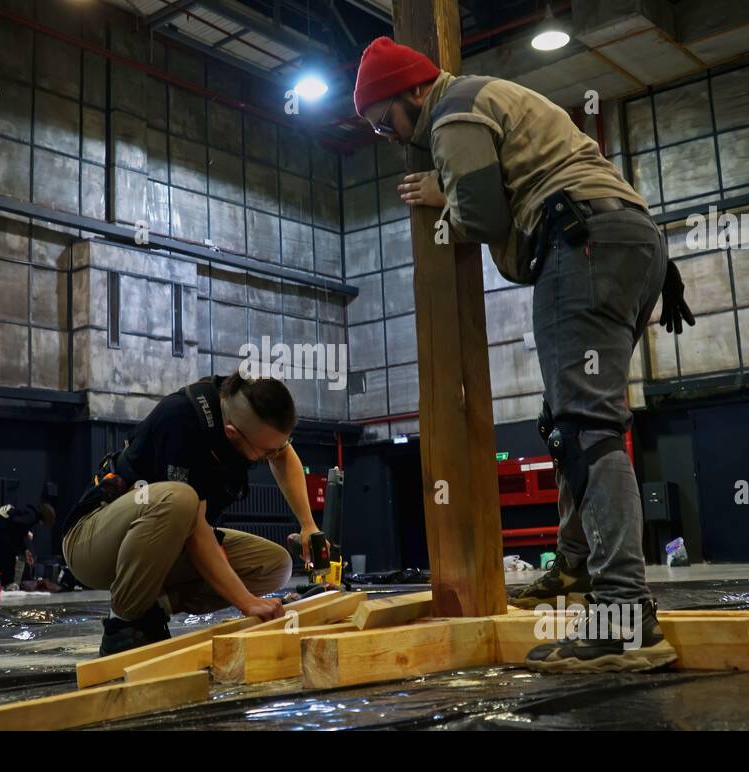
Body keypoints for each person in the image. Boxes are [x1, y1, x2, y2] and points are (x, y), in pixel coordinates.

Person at [353, 37, 696, 673]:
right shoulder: (488, 98)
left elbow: (480, 216)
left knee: (586, 427)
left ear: (412, 92)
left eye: (383, 120)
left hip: (583, 240)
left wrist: (444, 196)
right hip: (628, 242)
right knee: (568, 420)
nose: (386, 136)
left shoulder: (453, 113)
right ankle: (574, 562)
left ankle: (625, 615)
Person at [60, 373, 321, 656]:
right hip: (91, 542)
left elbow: (282, 454)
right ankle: (123, 623)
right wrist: (247, 602)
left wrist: (308, 525)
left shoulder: (238, 411)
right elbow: (197, 534)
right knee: (180, 499)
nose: (273, 455)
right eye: (265, 452)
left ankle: (156, 608)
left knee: (275, 565)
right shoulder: (182, 419)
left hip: (159, 545)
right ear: (233, 432)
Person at [0, 501, 55, 588]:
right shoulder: (32, 517)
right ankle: (7, 584)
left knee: (2, 558)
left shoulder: (29, 512)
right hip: (1, 530)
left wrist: (25, 550)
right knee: (8, 557)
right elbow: (16, 526)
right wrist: (26, 532)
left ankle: (0, 584)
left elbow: (17, 532)